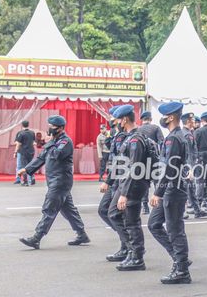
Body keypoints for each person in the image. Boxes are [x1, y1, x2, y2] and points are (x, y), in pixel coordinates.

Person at [18, 115, 90, 250]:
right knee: (68, 210)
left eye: (52, 127)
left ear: (60, 128)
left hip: (61, 181)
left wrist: (50, 142)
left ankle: (37, 237)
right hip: (53, 180)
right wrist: (27, 170)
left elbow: (56, 154)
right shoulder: (54, 142)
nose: (49, 129)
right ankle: (82, 234)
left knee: (49, 208)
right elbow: (41, 158)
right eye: (49, 126)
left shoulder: (65, 142)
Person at [148, 101, 193, 284]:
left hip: (173, 189)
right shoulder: (176, 135)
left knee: (175, 229)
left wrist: (158, 192)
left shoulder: (175, 138)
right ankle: (179, 257)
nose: (163, 119)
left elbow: (171, 168)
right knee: (154, 224)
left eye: (165, 116)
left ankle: (182, 270)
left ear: (171, 117)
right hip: (171, 188)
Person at [107, 105, 150, 271]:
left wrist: (124, 193)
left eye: (118, 119)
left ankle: (137, 256)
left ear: (124, 119)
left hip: (133, 185)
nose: (116, 122)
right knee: (115, 214)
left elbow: (135, 167)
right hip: (126, 182)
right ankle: (131, 250)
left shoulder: (135, 140)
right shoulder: (129, 137)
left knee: (132, 221)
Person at [98, 107, 131, 262]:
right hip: (114, 178)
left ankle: (129, 247)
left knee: (115, 213)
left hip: (120, 180)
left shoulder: (123, 136)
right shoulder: (116, 135)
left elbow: (121, 162)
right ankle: (126, 243)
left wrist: (108, 181)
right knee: (104, 210)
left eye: (114, 118)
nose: (112, 120)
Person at [181, 112, 207, 219]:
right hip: (187, 167)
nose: (195, 122)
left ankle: (197, 210)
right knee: (184, 189)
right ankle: (182, 211)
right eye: (193, 120)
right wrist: (190, 169)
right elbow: (189, 153)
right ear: (188, 121)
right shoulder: (187, 134)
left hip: (186, 166)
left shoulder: (187, 132)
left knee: (190, 189)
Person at [138, 110, 164, 214]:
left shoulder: (138, 130)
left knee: (144, 184)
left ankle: (145, 206)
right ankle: (159, 206)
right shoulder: (156, 128)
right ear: (151, 119)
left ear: (142, 120)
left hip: (142, 161)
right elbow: (162, 142)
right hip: (155, 160)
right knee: (157, 183)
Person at [14, 120, 36, 186]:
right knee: (31, 165)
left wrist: (15, 152)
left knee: (23, 166)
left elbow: (18, 144)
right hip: (31, 151)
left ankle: (25, 181)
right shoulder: (32, 132)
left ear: (22, 125)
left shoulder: (21, 133)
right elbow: (33, 142)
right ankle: (32, 179)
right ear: (28, 124)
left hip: (23, 152)